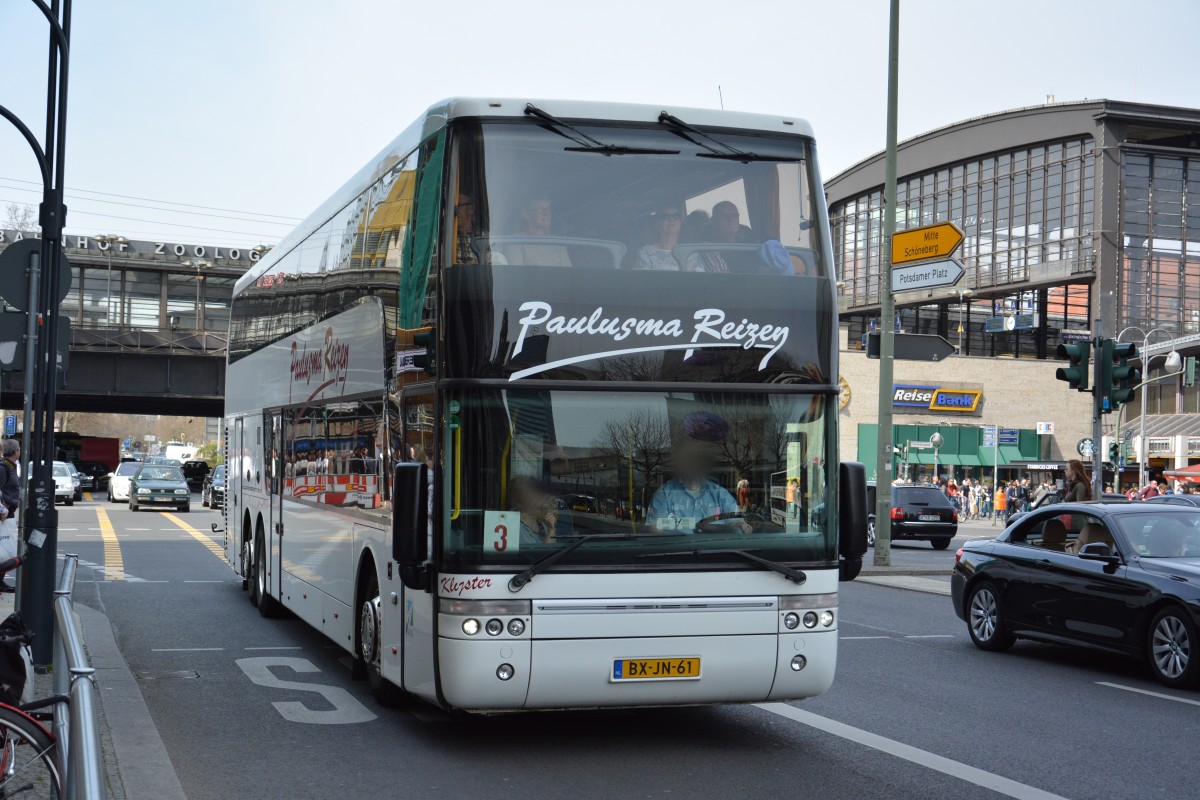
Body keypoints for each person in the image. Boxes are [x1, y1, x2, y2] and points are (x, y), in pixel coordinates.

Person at [650, 440, 750, 534]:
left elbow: (735, 522)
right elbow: (654, 528)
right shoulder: (664, 494)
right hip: (678, 550)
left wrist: (743, 526)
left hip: (715, 550)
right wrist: (688, 524)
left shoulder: (719, 493)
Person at [497, 195, 572, 267]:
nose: (546, 213)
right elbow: (517, 276)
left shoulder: (558, 243)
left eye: (548, 209)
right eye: (540, 209)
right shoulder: (515, 243)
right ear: (526, 215)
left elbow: (568, 274)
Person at [510, 478, 560, 546]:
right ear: (521, 502)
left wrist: (551, 529)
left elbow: (556, 549)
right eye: (535, 498)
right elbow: (543, 556)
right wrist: (551, 531)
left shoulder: (543, 525)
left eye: (542, 498)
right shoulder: (518, 529)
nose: (542, 503)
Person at [635, 206, 683, 270]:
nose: (671, 219)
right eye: (665, 216)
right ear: (656, 225)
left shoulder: (690, 253)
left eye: (676, 216)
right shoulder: (645, 252)